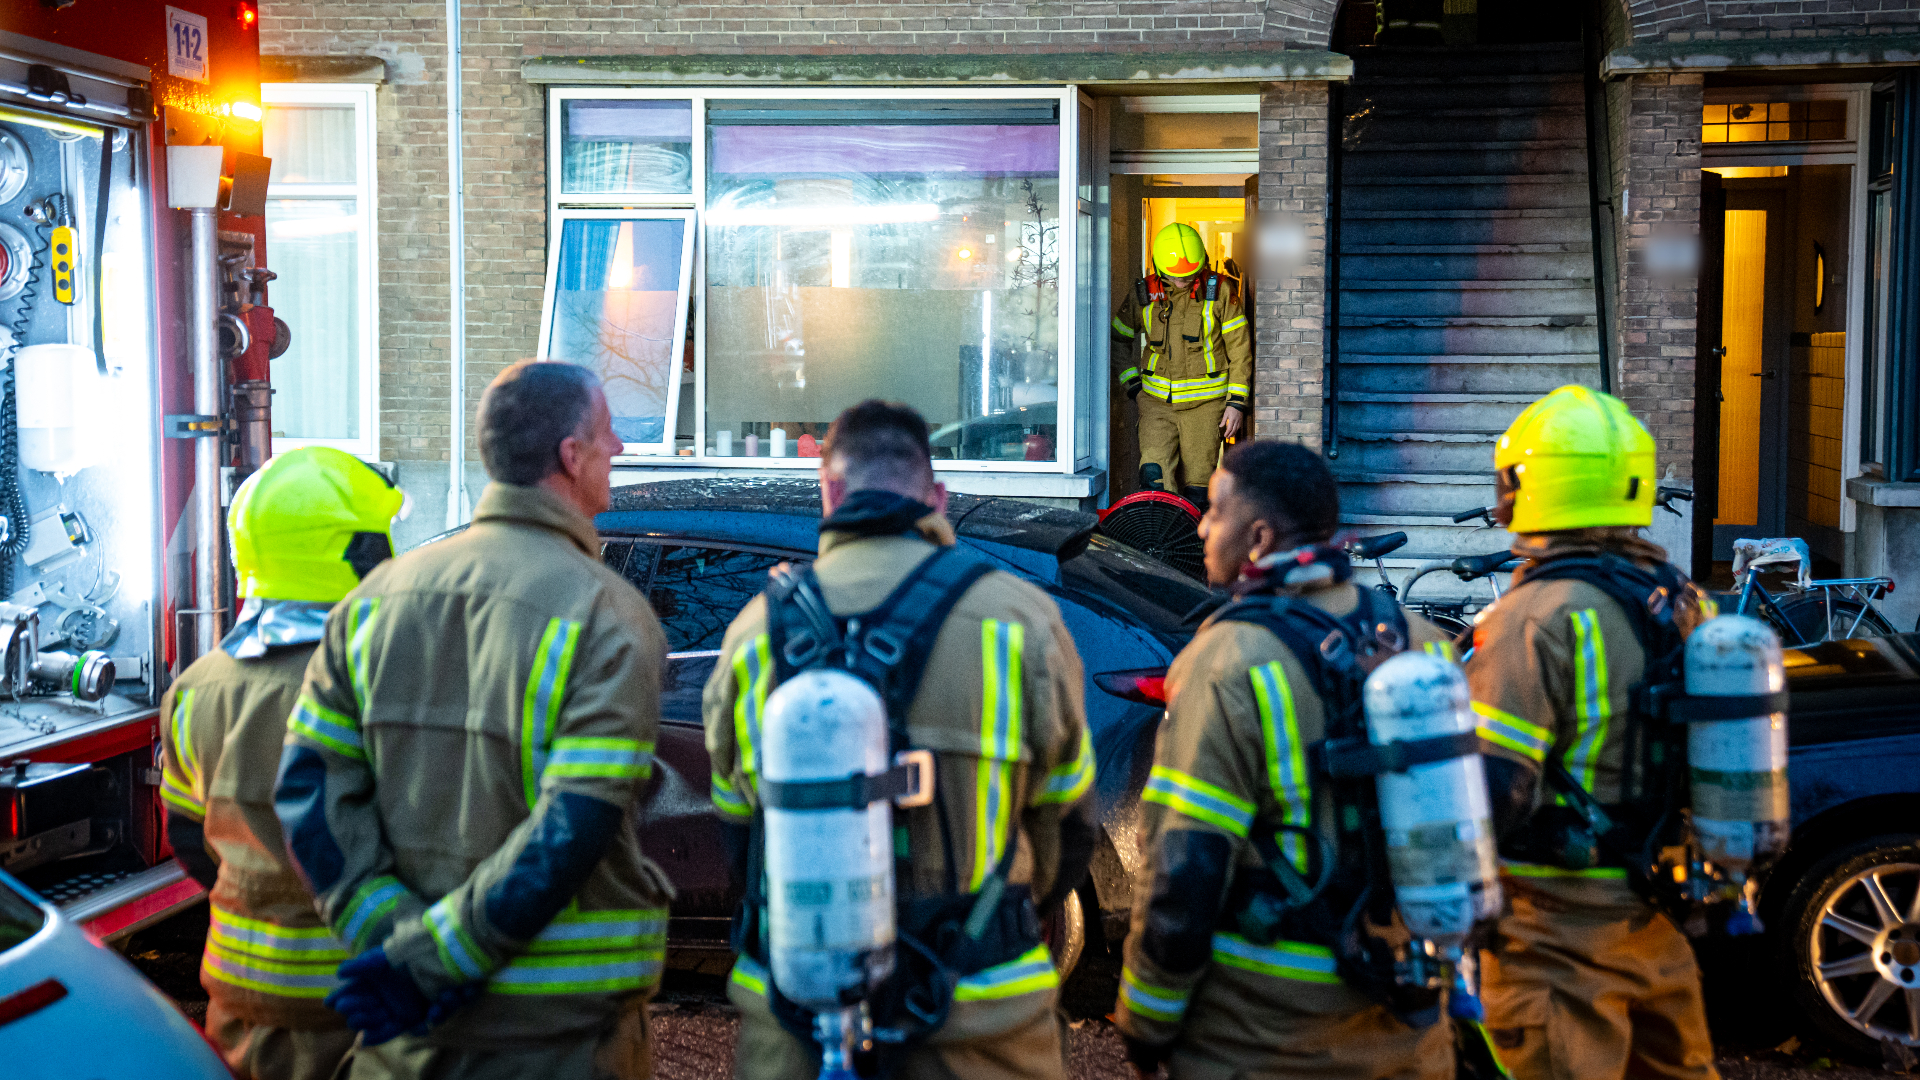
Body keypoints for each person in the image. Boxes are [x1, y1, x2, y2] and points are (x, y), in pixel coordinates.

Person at [275, 360, 673, 1080]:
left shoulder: (370, 603)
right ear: (570, 455)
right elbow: (572, 826)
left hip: (405, 1039)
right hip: (556, 1043)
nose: (619, 450)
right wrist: (436, 957)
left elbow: (312, 793)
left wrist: (397, 948)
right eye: (609, 435)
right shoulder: (606, 614)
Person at [703, 399, 1097, 1080]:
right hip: (981, 1036)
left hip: (798, 1037)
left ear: (828, 492)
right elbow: (1069, 830)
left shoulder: (752, 634)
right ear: (936, 497)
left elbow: (742, 842)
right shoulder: (1020, 623)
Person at [1114, 440, 1459, 1080]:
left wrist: (1147, 1018)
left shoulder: (1224, 662)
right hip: (1409, 1028)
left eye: (1215, 510)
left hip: (1265, 1038)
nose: (1199, 524)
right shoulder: (1424, 642)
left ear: (1259, 536)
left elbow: (1185, 867)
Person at [1463, 385, 1719, 1080]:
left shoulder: (1534, 615)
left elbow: (1499, 788)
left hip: (1550, 934)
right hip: (1652, 921)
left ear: (1529, 486)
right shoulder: (1679, 599)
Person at [159, 447, 404, 1080]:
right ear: (349, 552)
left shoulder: (195, 688)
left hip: (245, 1005)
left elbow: (189, 839)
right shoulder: (386, 680)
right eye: (377, 540)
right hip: (369, 1002)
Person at [1110, 222, 1254, 505]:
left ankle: (1194, 547)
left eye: (1189, 276)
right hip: (1155, 403)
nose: (1183, 282)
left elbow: (1240, 349)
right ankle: (1161, 545)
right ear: (1159, 268)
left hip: (1206, 405)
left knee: (1198, 486)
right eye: (1175, 278)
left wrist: (1236, 403)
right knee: (1153, 478)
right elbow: (1119, 338)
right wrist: (1133, 387)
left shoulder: (1221, 291)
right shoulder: (1145, 294)